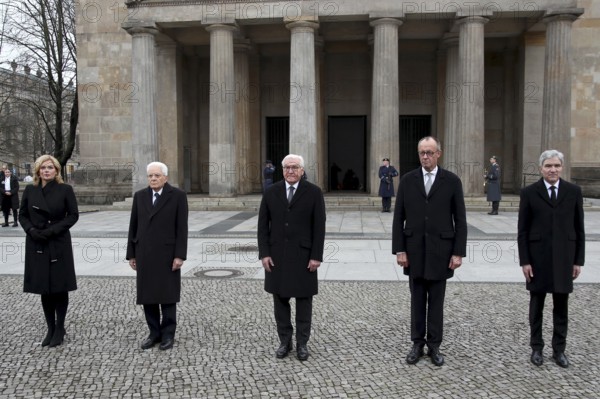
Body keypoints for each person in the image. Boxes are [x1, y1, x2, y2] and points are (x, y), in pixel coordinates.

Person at [392, 136, 467, 366]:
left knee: (436, 302)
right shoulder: (407, 180)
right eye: (422, 152)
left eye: (429, 152)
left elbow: (460, 220)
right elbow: (398, 218)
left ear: (438, 154)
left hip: (441, 252)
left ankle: (434, 346)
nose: (425, 156)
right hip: (414, 251)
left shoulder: (452, 181)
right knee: (416, 300)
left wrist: (458, 252)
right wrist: (399, 250)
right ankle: (417, 343)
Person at [518, 149, 585, 368]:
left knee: (561, 306)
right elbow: (523, 231)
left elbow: (579, 228)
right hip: (537, 258)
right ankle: (536, 348)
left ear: (562, 168)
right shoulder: (529, 193)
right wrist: (525, 261)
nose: (552, 170)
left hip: (565, 257)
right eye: (548, 166)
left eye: (556, 166)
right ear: (541, 169)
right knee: (536, 306)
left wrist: (578, 261)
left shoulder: (573, 191)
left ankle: (559, 350)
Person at [257, 154, 326, 361]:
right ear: (282, 169)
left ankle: (302, 343)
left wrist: (316, 256)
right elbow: (262, 226)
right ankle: (284, 341)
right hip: (276, 255)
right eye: (287, 167)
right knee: (280, 300)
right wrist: (264, 253)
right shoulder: (271, 192)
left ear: (302, 170)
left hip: (304, 256)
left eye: (295, 167)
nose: (290, 171)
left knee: (304, 301)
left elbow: (319, 227)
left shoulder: (313, 192)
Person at [126, 162, 188, 351]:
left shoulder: (177, 196)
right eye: (150, 176)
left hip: (168, 255)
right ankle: (154, 333)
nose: (153, 179)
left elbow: (181, 228)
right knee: (148, 296)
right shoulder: (140, 196)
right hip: (144, 253)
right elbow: (133, 226)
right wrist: (131, 254)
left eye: (157, 176)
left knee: (167, 296)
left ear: (165, 177)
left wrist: (179, 255)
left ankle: (168, 334)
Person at [19, 155, 79, 347]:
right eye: (43, 168)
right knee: (44, 287)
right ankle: (50, 327)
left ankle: (60, 327)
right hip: (37, 242)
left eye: (50, 168)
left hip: (57, 241)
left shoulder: (65, 190)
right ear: (38, 171)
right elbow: (22, 215)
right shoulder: (30, 190)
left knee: (59, 287)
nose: (47, 171)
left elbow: (73, 216)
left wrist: (53, 230)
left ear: (56, 171)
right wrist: (31, 230)